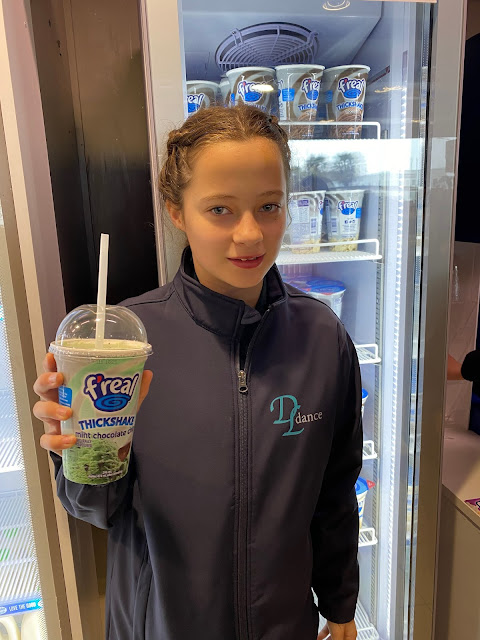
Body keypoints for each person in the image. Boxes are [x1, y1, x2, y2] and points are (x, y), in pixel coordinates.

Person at [33, 106, 362, 640]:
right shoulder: (124, 346)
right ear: (177, 212)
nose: (250, 234)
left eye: (269, 206)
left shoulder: (322, 338)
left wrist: (341, 603)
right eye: (220, 210)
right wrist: (77, 448)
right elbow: (99, 510)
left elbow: (335, 490)